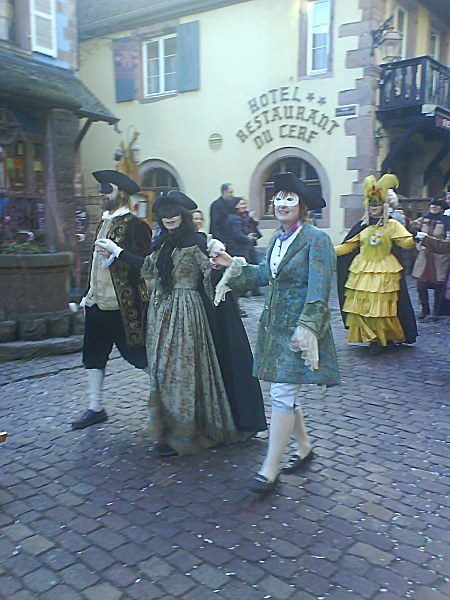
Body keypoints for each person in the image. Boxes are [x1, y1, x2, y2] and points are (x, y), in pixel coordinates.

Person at [96, 190, 266, 456]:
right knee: (165, 373)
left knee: (184, 372)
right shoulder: (163, 243)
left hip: (188, 316)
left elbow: (212, 276)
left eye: (174, 213)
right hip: (162, 315)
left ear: (183, 215)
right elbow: (148, 267)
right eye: (164, 214)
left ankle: (187, 434)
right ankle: (171, 429)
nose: (169, 218)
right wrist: (118, 253)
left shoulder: (197, 241)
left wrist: (218, 258)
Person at [211, 172, 339, 494]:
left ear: (302, 205)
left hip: (298, 331)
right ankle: (305, 447)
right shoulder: (277, 240)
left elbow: (319, 289)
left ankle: (270, 468)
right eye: (278, 198)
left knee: (282, 392)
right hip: (273, 329)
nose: (282, 204)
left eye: (290, 198)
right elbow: (264, 275)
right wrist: (232, 265)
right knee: (284, 391)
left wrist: (308, 327)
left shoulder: (316, 239)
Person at [71, 170, 153, 430]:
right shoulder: (102, 222)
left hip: (123, 305)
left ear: (122, 193)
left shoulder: (137, 225)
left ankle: (166, 401)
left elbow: (145, 266)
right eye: (100, 189)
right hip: (97, 304)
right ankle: (95, 407)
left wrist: (118, 255)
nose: (101, 193)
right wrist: (88, 294)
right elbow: (95, 265)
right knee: (93, 355)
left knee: (139, 355)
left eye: (106, 188)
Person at [336, 174, 417, 353]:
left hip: (385, 269)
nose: (374, 207)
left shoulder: (392, 225)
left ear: (384, 205)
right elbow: (348, 246)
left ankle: (383, 338)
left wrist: (415, 239)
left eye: (377, 203)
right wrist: (326, 250)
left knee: (382, 306)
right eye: (371, 204)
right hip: (362, 270)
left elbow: (406, 242)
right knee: (363, 305)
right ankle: (371, 337)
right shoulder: (363, 226)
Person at [409, 198, 450, 320]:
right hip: (424, 256)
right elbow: (411, 226)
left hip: (440, 258)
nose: (434, 207)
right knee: (421, 285)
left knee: (439, 286)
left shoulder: (447, 222)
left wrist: (427, 239)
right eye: (432, 205)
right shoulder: (424, 219)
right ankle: (424, 310)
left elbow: (447, 243)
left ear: (442, 208)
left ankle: (436, 312)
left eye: (437, 206)